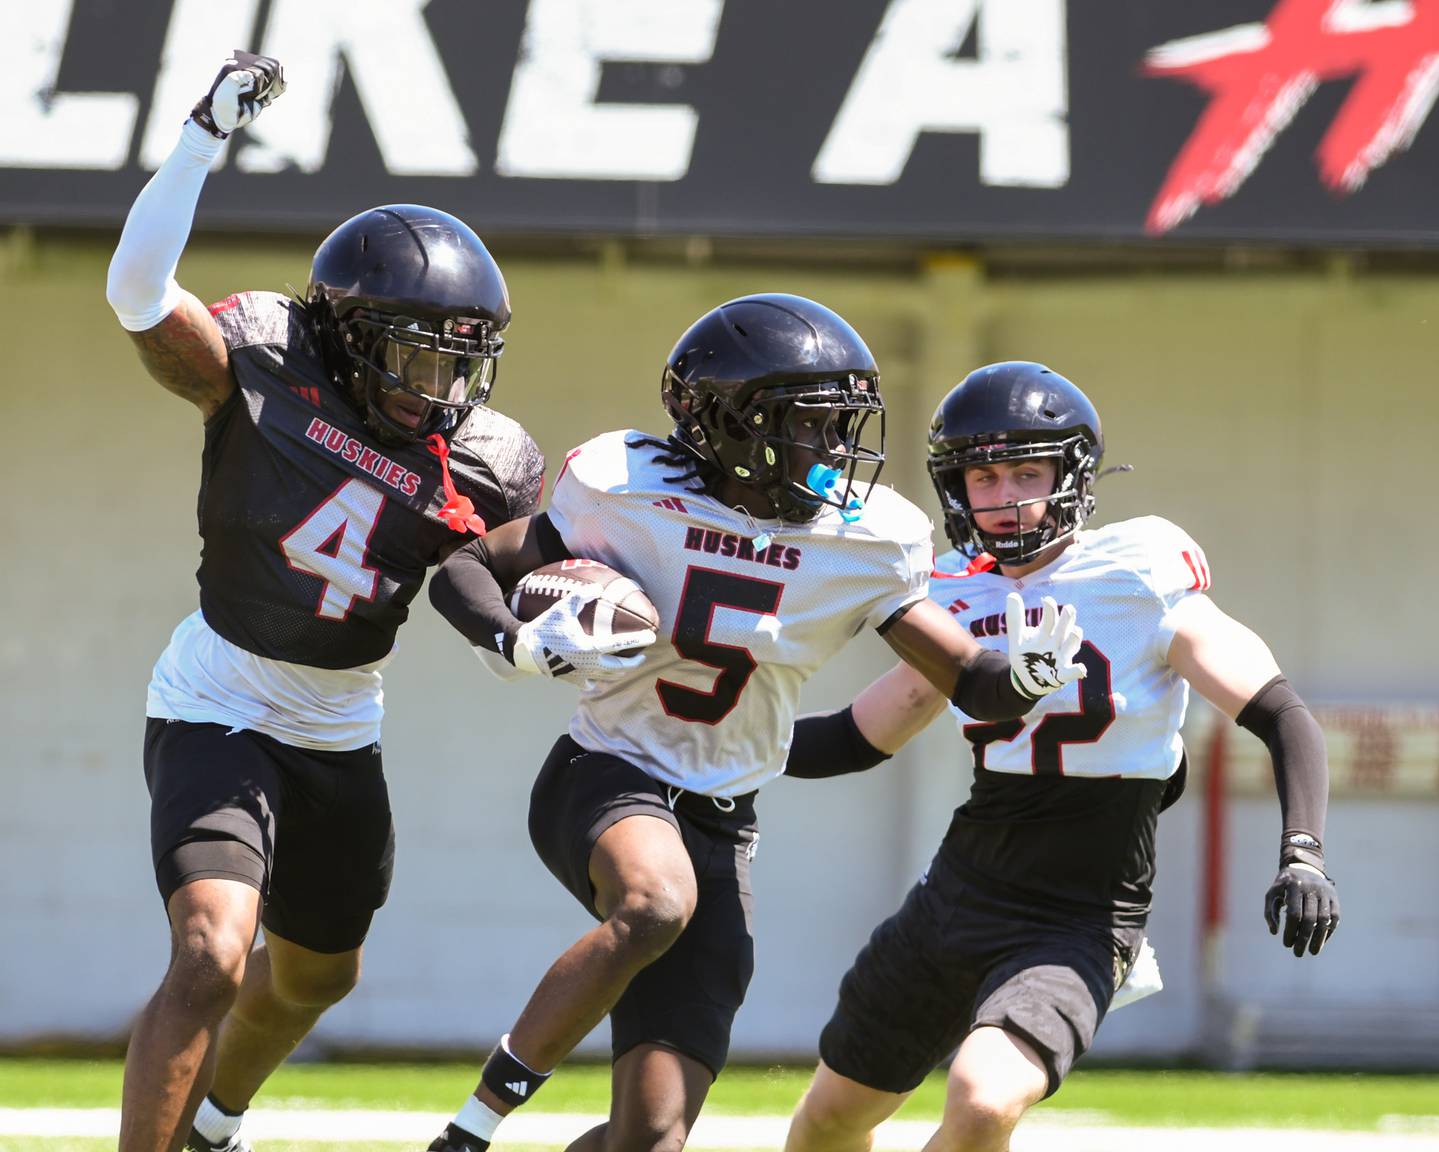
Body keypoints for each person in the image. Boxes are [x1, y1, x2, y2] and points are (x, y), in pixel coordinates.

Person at [422, 295, 1088, 1152]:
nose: (837, 448)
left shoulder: (868, 541)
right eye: (812, 423)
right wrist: (514, 642)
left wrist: (1024, 677)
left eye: (843, 423)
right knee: (655, 903)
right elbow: (469, 567)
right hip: (608, 770)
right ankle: (469, 1131)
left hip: (723, 820)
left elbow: (969, 679)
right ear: (732, 422)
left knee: (651, 1135)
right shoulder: (628, 488)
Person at [104, 52, 545, 1152]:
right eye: (418, 359)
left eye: (462, 363)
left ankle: (215, 1126)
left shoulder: (485, 459)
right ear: (348, 335)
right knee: (210, 955)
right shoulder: (265, 366)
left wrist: (539, 625)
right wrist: (201, 139)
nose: (443, 390)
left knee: (316, 978)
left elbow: (481, 574)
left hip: (341, 722)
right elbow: (137, 295)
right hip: (219, 697)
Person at [781, 361, 1341, 1152]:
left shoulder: (1137, 576)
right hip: (961, 888)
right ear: (954, 487)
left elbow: (1282, 713)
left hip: (1083, 909)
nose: (1005, 496)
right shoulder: (954, 595)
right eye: (984, 476)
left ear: (1071, 476)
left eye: (1027, 472)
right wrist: (712, 745)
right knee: (830, 1119)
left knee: (982, 1100)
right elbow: (857, 735)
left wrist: (1304, 854)